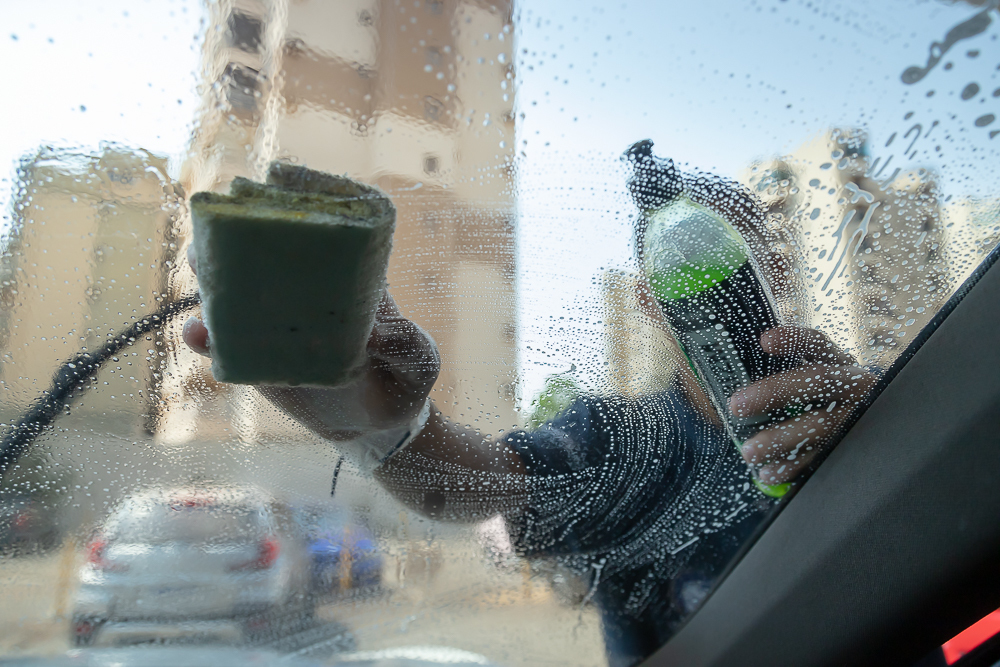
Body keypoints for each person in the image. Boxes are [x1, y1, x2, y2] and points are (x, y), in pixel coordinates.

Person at [182, 167, 876, 667]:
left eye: (742, 261)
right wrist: (382, 426)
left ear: (778, 271)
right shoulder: (623, 442)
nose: (721, 297)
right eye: (689, 272)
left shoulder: (861, 403)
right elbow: (485, 484)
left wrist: (889, 431)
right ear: (645, 298)